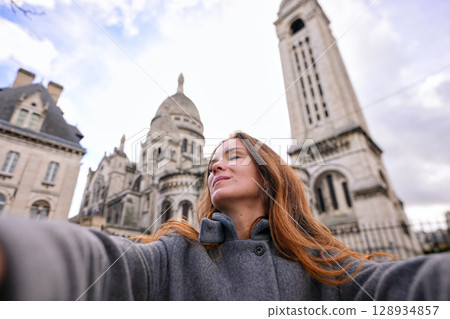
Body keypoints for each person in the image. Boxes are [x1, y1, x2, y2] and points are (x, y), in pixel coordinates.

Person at [0, 131, 449, 300]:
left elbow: (399, 288)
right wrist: (19, 253)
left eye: (232, 155)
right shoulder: (175, 253)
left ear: (271, 173)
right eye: (211, 159)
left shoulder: (323, 268)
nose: (215, 165)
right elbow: (107, 265)